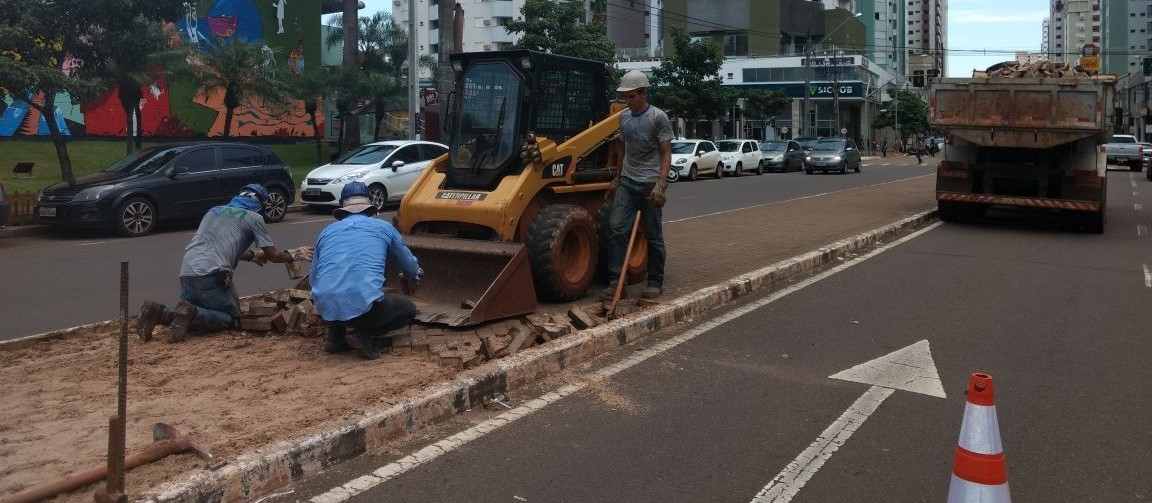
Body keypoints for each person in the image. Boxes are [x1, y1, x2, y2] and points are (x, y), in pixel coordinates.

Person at [137, 184, 309, 343]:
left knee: (196, 310)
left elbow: (219, 244)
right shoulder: (254, 217)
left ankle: (159, 313)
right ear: (261, 205)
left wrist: (251, 256)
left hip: (187, 272)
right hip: (212, 275)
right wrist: (292, 255)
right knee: (232, 319)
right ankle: (191, 312)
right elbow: (273, 255)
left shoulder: (213, 211)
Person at [310, 182, 421, 360]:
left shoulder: (326, 231)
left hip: (325, 307)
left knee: (339, 296)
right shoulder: (384, 227)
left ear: (342, 207)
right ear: (370, 205)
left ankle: (336, 337)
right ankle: (362, 334)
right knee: (408, 310)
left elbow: (314, 278)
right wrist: (413, 277)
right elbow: (409, 265)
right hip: (366, 312)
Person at [601, 70, 674, 301]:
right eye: (626, 97)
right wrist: (617, 177)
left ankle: (655, 281)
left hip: (649, 184)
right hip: (628, 183)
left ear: (644, 93)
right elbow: (623, 149)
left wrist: (661, 183)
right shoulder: (624, 118)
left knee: (653, 234)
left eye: (632, 96)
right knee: (616, 229)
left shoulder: (658, 118)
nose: (628, 101)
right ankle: (616, 282)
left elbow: (665, 152)